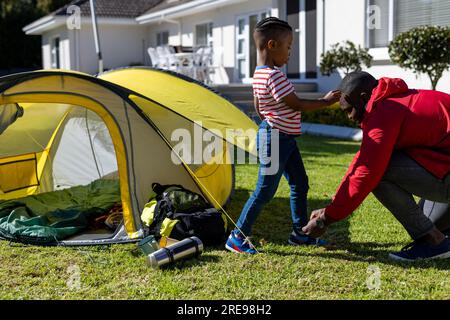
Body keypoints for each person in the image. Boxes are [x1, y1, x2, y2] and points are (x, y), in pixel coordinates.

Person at [302, 71, 450, 262]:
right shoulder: (396, 101)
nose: (349, 117)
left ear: (363, 98)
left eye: (349, 110)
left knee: (380, 173)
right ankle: (441, 236)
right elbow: (362, 160)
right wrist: (330, 207)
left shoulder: (384, 112)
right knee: (431, 222)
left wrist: (326, 219)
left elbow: (367, 173)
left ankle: (433, 242)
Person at [225, 17, 340, 254]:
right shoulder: (273, 76)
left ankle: (300, 234)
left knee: (299, 183)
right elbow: (296, 104)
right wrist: (326, 101)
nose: (290, 53)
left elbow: (258, 105)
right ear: (271, 45)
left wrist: (270, 119)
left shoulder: (258, 74)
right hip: (276, 138)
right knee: (265, 190)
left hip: (281, 137)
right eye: (288, 47)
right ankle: (237, 236)